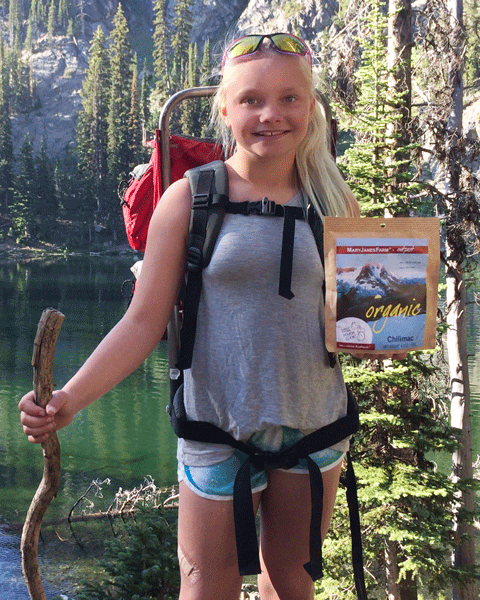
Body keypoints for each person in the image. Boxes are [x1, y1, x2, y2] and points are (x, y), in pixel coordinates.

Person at [20, 33, 361, 600]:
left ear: (311, 106)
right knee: (206, 590)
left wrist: (386, 333)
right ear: (224, 110)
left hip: (316, 429)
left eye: (289, 98)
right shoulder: (190, 199)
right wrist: (69, 401)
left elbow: (355, 319)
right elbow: (141, 323)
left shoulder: (332, 199)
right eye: (251, 99)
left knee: (292, 591)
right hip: (216, 431)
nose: (271, 114)